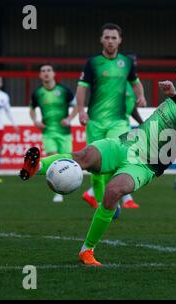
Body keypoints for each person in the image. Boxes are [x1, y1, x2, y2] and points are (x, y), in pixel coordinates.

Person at [19, 58, 176, 266]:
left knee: (113, 191)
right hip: (124, 144)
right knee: (83, 156)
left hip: (144, 165)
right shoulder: (175, 99)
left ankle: (87, 250)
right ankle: (35, 167)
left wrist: (174, 94)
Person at [76, 23, 147, 211]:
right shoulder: (92, 63)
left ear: (120, 40)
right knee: (94, 165)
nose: (110, 41)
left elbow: (136, 82)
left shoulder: (127, 63)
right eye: (106, 37)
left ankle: (114, 200)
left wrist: (141, 95)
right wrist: (81, 110)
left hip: (119, 121)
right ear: (101, 39)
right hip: (95, 122)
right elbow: (82, 88)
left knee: (117, 157)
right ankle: (101, 204)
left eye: (113, 37)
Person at [30, 63, 77, 202]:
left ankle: (68, 185)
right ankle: (58, 192)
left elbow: (76, 106)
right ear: (40, 75)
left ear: (53, 74)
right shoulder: (37, 93)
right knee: (53, 158)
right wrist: (35, 121)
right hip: (48, 132)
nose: (46, 73)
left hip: (64, 132)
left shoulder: (64, 90)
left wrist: (69, 119)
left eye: (49, 70)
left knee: (67, 161)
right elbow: (32, 109)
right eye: (43, 71)